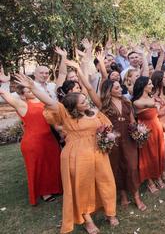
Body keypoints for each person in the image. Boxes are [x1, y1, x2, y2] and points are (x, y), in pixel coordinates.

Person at [16, 74, 119, 234]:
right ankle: (87, 220)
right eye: (83, 101)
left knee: (106, 182)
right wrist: (33, 87)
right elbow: (48, 101)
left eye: (85, 100)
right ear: (74, 106)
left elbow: (106, 127)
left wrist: (107, 139)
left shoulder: (93, 112)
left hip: (99, 152)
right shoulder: (66, 115)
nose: (87, 102)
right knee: (82, 187)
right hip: (76, 155)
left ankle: (110, 212)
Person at [0, 85, 62, 206]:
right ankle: (45, 193)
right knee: (39, 167)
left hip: (49, 139)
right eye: (28, 91)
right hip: (33, 142)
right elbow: (7, 96)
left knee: (53, 164)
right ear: (23, 95)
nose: (31, 92)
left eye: (31, 89)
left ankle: (55, 188)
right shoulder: (22, 105)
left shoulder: (43, 101)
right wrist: (3, 86)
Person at [99, 80, 146, 211]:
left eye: (120, 87)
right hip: (114, 141)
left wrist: (138, 133)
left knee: (132, 167)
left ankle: (136, 196)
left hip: (128, 138)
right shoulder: (104, 106)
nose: (121, 89)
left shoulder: (126, 102)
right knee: (117, 166)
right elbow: (103, 125)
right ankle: (123, 194)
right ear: (109, 91)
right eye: (117, 88)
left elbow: (132, 120)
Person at [132, 76, 165, 194]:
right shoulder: (137, 102)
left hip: (156, 127)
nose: (152, 86)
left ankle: (158, 176)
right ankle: (150, 182)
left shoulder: (151, 97)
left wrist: (164, 111)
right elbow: (148, 105)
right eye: (150, 84)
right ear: (143, 86)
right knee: (149, 155)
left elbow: (154, 114)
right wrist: (157, 102)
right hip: (147, 131)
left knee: (158, 153)